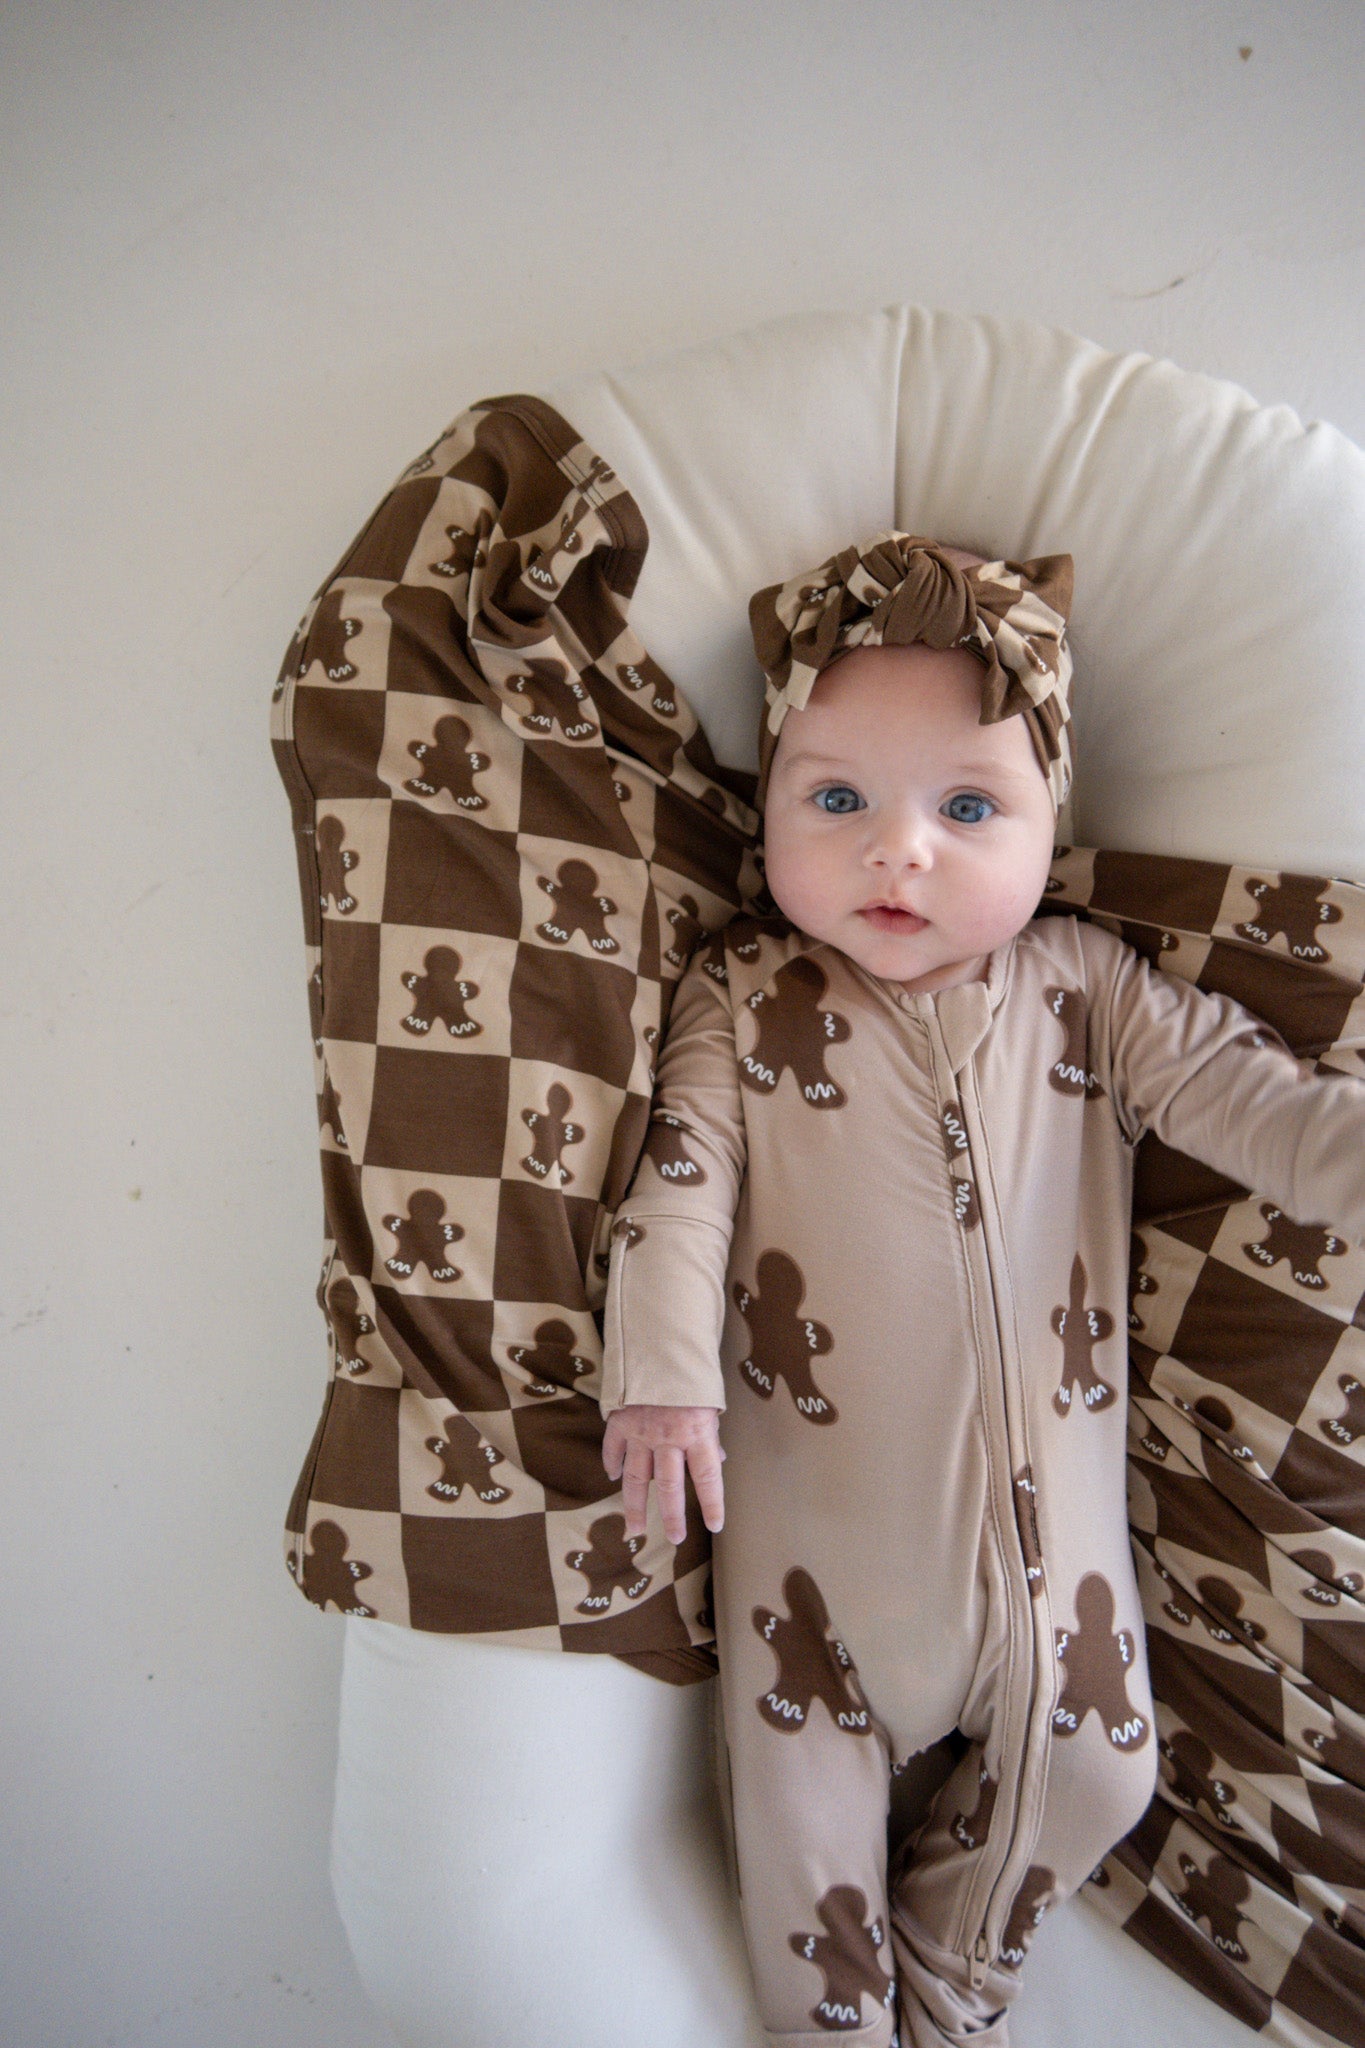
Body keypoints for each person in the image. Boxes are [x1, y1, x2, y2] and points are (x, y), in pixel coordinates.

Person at [598, 535, 1365, 2047]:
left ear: (1045, 827)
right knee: (804, 1909)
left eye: (966, 809)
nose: (901, 853)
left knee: (1104, 1775)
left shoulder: (1089, 989)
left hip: (1059, 1603)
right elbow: (675, 1185)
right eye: (835, 801)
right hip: (803, 1613)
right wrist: (665, 1369)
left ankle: (950, 1989)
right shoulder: (741, 998)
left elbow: (1265, 1110)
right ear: (763, 815)